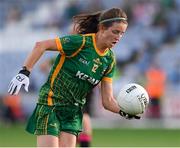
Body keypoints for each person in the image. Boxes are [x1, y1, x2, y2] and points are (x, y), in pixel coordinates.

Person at [8, 8, 140, 147]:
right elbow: (41, 45)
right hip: (51, 104)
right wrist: (24, 72)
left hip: (73, 112)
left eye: (122, 33)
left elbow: (107, 101)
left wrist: (124, 111)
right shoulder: (81, 43)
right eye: (115, 32)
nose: (118, 37)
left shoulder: (109, 60)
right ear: (101, 28)